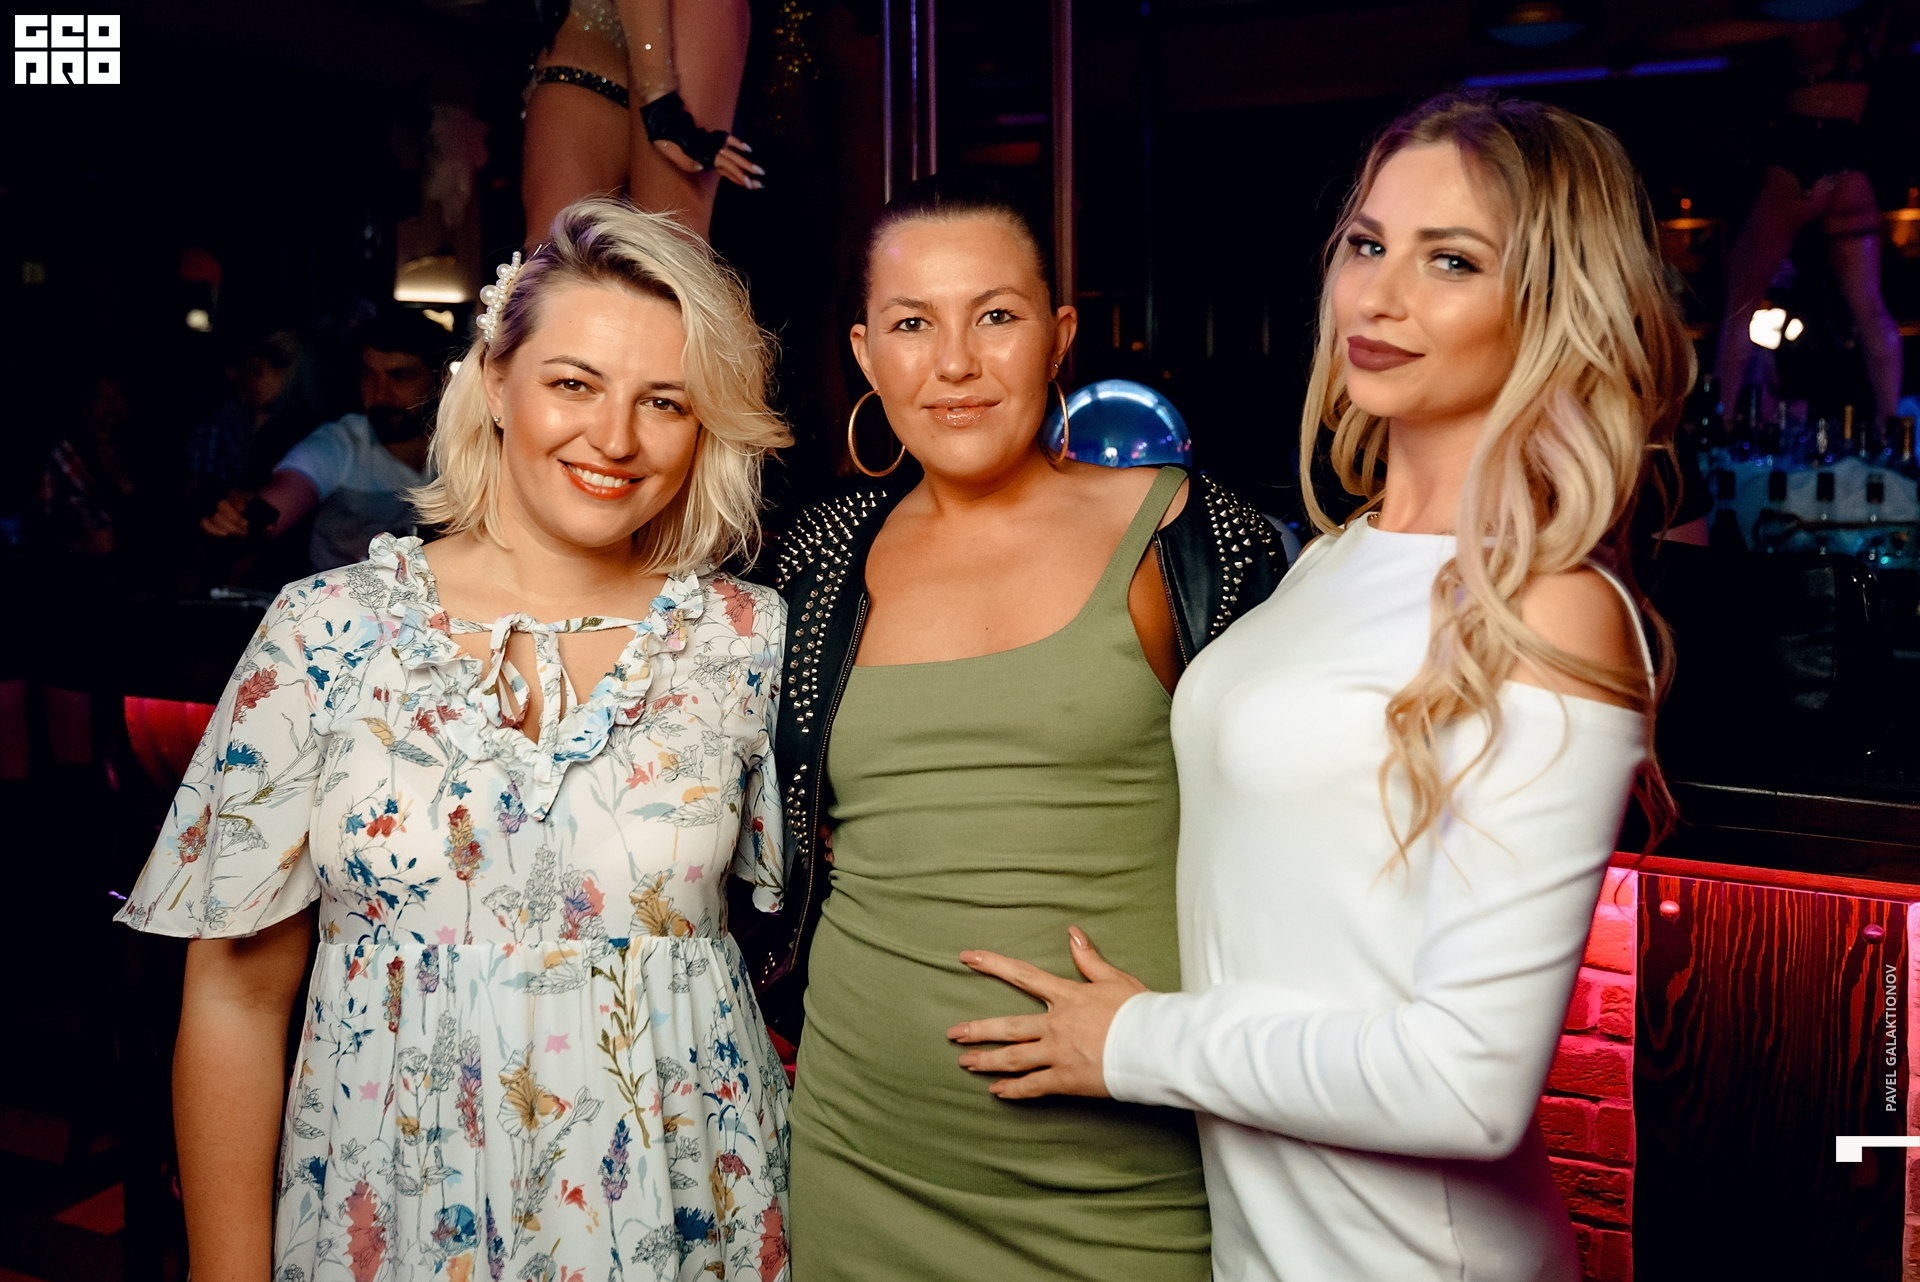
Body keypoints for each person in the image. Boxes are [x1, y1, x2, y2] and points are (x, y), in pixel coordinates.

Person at [949, 94, 1687, 1281]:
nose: (1379, 297)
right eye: (1367, 244)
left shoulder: (1547, 606)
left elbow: (1466, 1083)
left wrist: (1138, 1041)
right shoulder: (1332, 558)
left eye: (1452, 260)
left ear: (1551, 304)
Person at [118, 198, 794, 1281]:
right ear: (493, 381)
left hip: (685, 1218)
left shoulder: (749, 639)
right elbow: (236, 997)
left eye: (664, 401)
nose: (616, 438)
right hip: (387, 1214)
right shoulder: (324, 632)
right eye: (574, 383)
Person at [755, 174, 1284, 1281]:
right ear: (865, 355)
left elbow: (1309, 844)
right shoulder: (820, 555)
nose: (954, 363)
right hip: (862, 1158)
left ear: (1060, 336)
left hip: (1126, 1177)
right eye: (912, 324)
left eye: (994, 315)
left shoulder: (1190, 537)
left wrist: (1180, 1041)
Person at [1710, 2, 1903, 430]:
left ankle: (1721, 423)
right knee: (1871, 309)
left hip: (1799, 161)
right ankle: (1891, 422)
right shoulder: (1867, 28)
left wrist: (1639, 44)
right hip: (1851, 169)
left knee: (1740, 305)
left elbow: (1720, 33)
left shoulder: (1808, 21)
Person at [201, 308, 448, 573]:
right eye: (366, 374)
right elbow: (283, 497)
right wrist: (242, 519)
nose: (379, 392)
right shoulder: (338, 444)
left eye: (400, 376)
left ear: (441, 380)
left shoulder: (466, 448)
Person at [525, 0, 762, 241]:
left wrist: (660, 102)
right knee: (554, 244)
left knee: (668, 237)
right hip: (590, 28)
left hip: (681, 14)